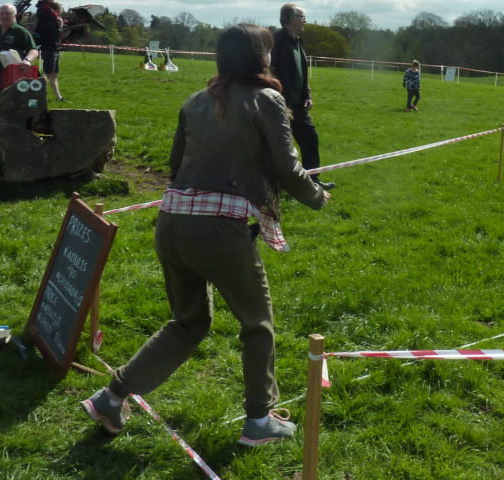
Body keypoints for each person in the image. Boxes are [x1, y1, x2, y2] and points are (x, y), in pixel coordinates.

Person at [81, 24, 329, 446]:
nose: (271, 59)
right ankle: (258, 421)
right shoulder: (268, 99)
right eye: (267, 51)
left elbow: (177, 164)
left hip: (172, 222)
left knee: (188, 322)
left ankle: (112, 396)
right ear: (258, 58)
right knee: (257, 323)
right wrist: (318, 196)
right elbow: (289, 169)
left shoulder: (194, 100)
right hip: (218, 231)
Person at [269, 3, 335, 190]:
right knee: (280, 145)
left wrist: (307, 95)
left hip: (299, 105)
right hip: (281, 104)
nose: (305, 21)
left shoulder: (298, 41)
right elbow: (271, 71)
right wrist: (277, 97)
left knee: (310, 139)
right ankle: (273, 183)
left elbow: (302, 73)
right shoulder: (277, 41)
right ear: (291, 19)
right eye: (302, 17)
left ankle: (312, 182)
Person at [35, 0, 65, 101]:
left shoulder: (46, 12)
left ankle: (58, 97)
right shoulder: (47, 13)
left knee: (54, 74)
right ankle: (39, 95)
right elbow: (53, 31)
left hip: (54, 47)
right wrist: (60, 25)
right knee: (47, 73)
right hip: (50, 47)